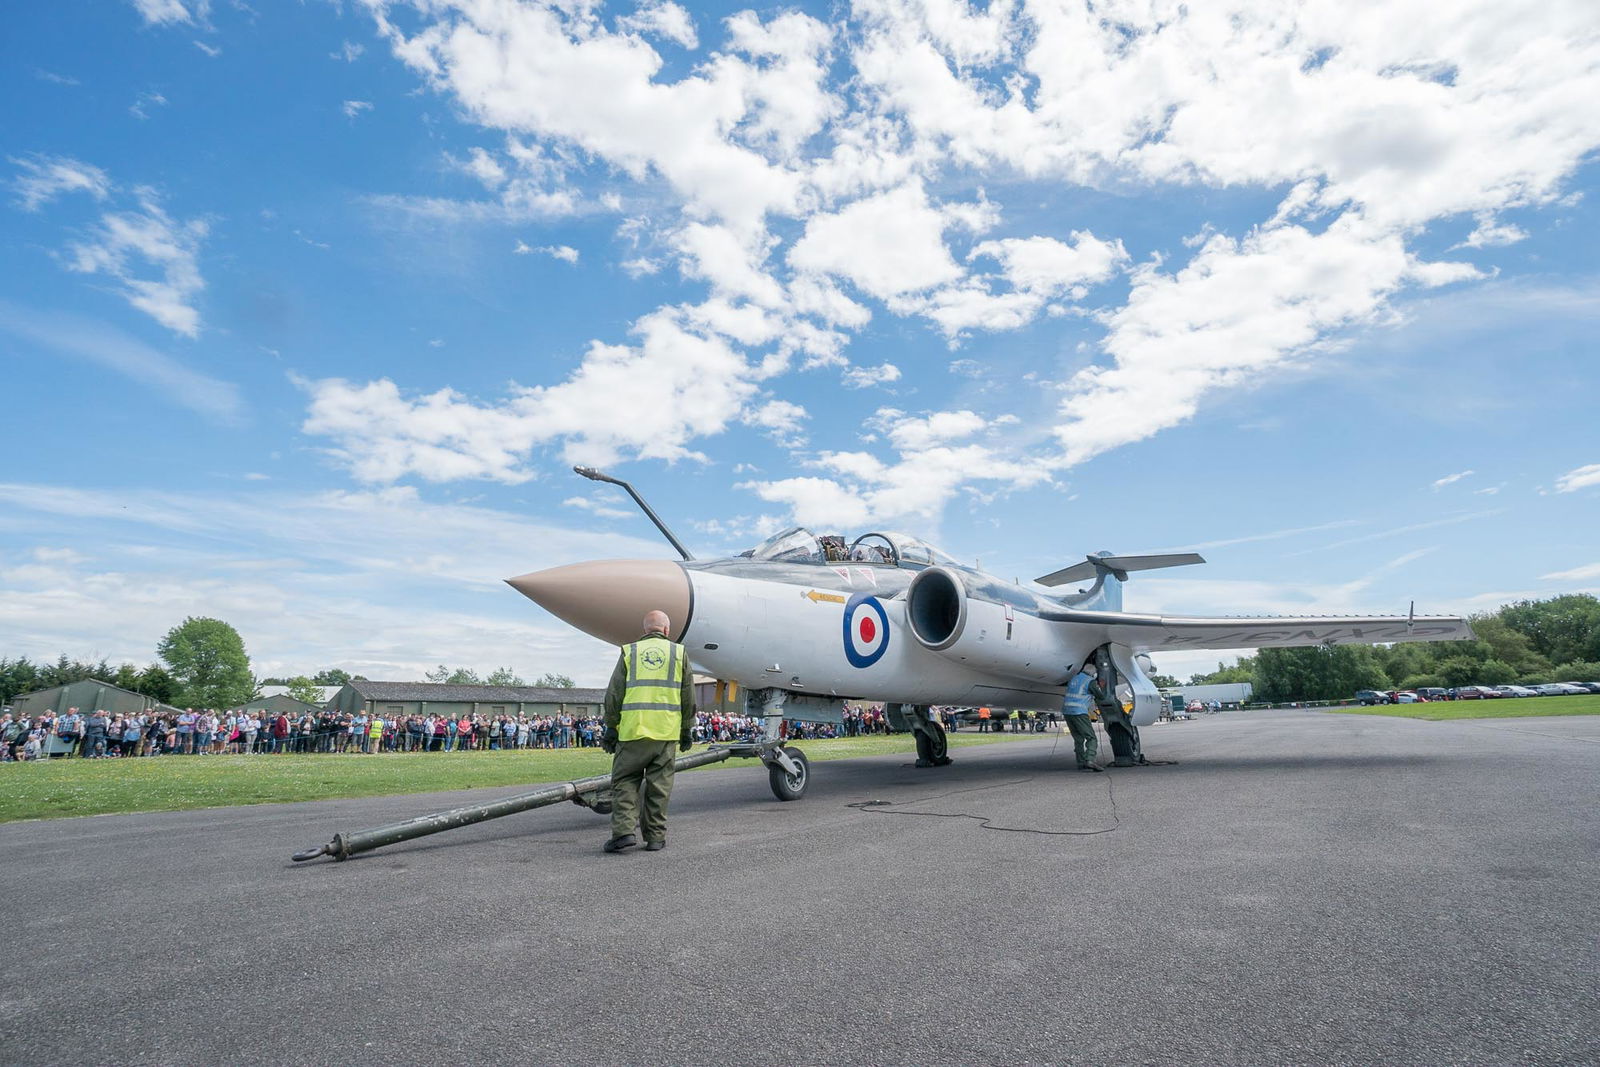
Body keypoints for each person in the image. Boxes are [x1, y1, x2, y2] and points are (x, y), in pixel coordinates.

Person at [600, 609, 694, 853]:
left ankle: (623, 833)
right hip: (665, 733)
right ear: (666, 630)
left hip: (632, 732)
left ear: (645, 630)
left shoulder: (630, 651)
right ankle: (655, 838)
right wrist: (687, 730)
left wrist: (611, 727)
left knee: (625, 782)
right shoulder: (679, 653)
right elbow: (688, 696)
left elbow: (614, 694)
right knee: (659, 788)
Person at [1060, 665, 1101, 771]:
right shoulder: (1090, 681)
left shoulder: (1073, 678)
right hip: (1079, 712)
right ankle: (1090, 760)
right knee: (1091, 738)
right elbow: (1100, 695)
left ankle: (1081, 762)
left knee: (1078, 738)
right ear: (1093, 673)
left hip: (1067, 712)